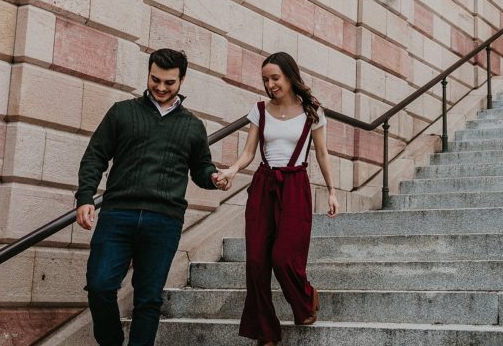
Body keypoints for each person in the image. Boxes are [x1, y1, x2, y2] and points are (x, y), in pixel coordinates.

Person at [75, 47, 228, 346]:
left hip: (164, 221)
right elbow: (95, 156)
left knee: (148, 300)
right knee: (99, 287)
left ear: (181, 81)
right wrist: (85, 197)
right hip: (119, 213)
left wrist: (213, 178)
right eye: (155, 79)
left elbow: (200, 168)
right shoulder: (122, 112)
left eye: (169, 82)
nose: (160, 87)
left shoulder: (193, 126)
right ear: (148, 73)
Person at [220, 51, 339, 342]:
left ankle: (307, 297)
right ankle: (265, 332)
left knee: (285, 257)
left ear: (289, 76)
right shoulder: (259, 110)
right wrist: (233, 170)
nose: (270, 84)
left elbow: (322, 153)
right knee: (257, 262)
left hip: (296, 185)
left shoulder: (312, 110)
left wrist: (333, 191)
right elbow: (249, 152)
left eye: (275, 78)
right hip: (264, 185)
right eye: (265, 79)